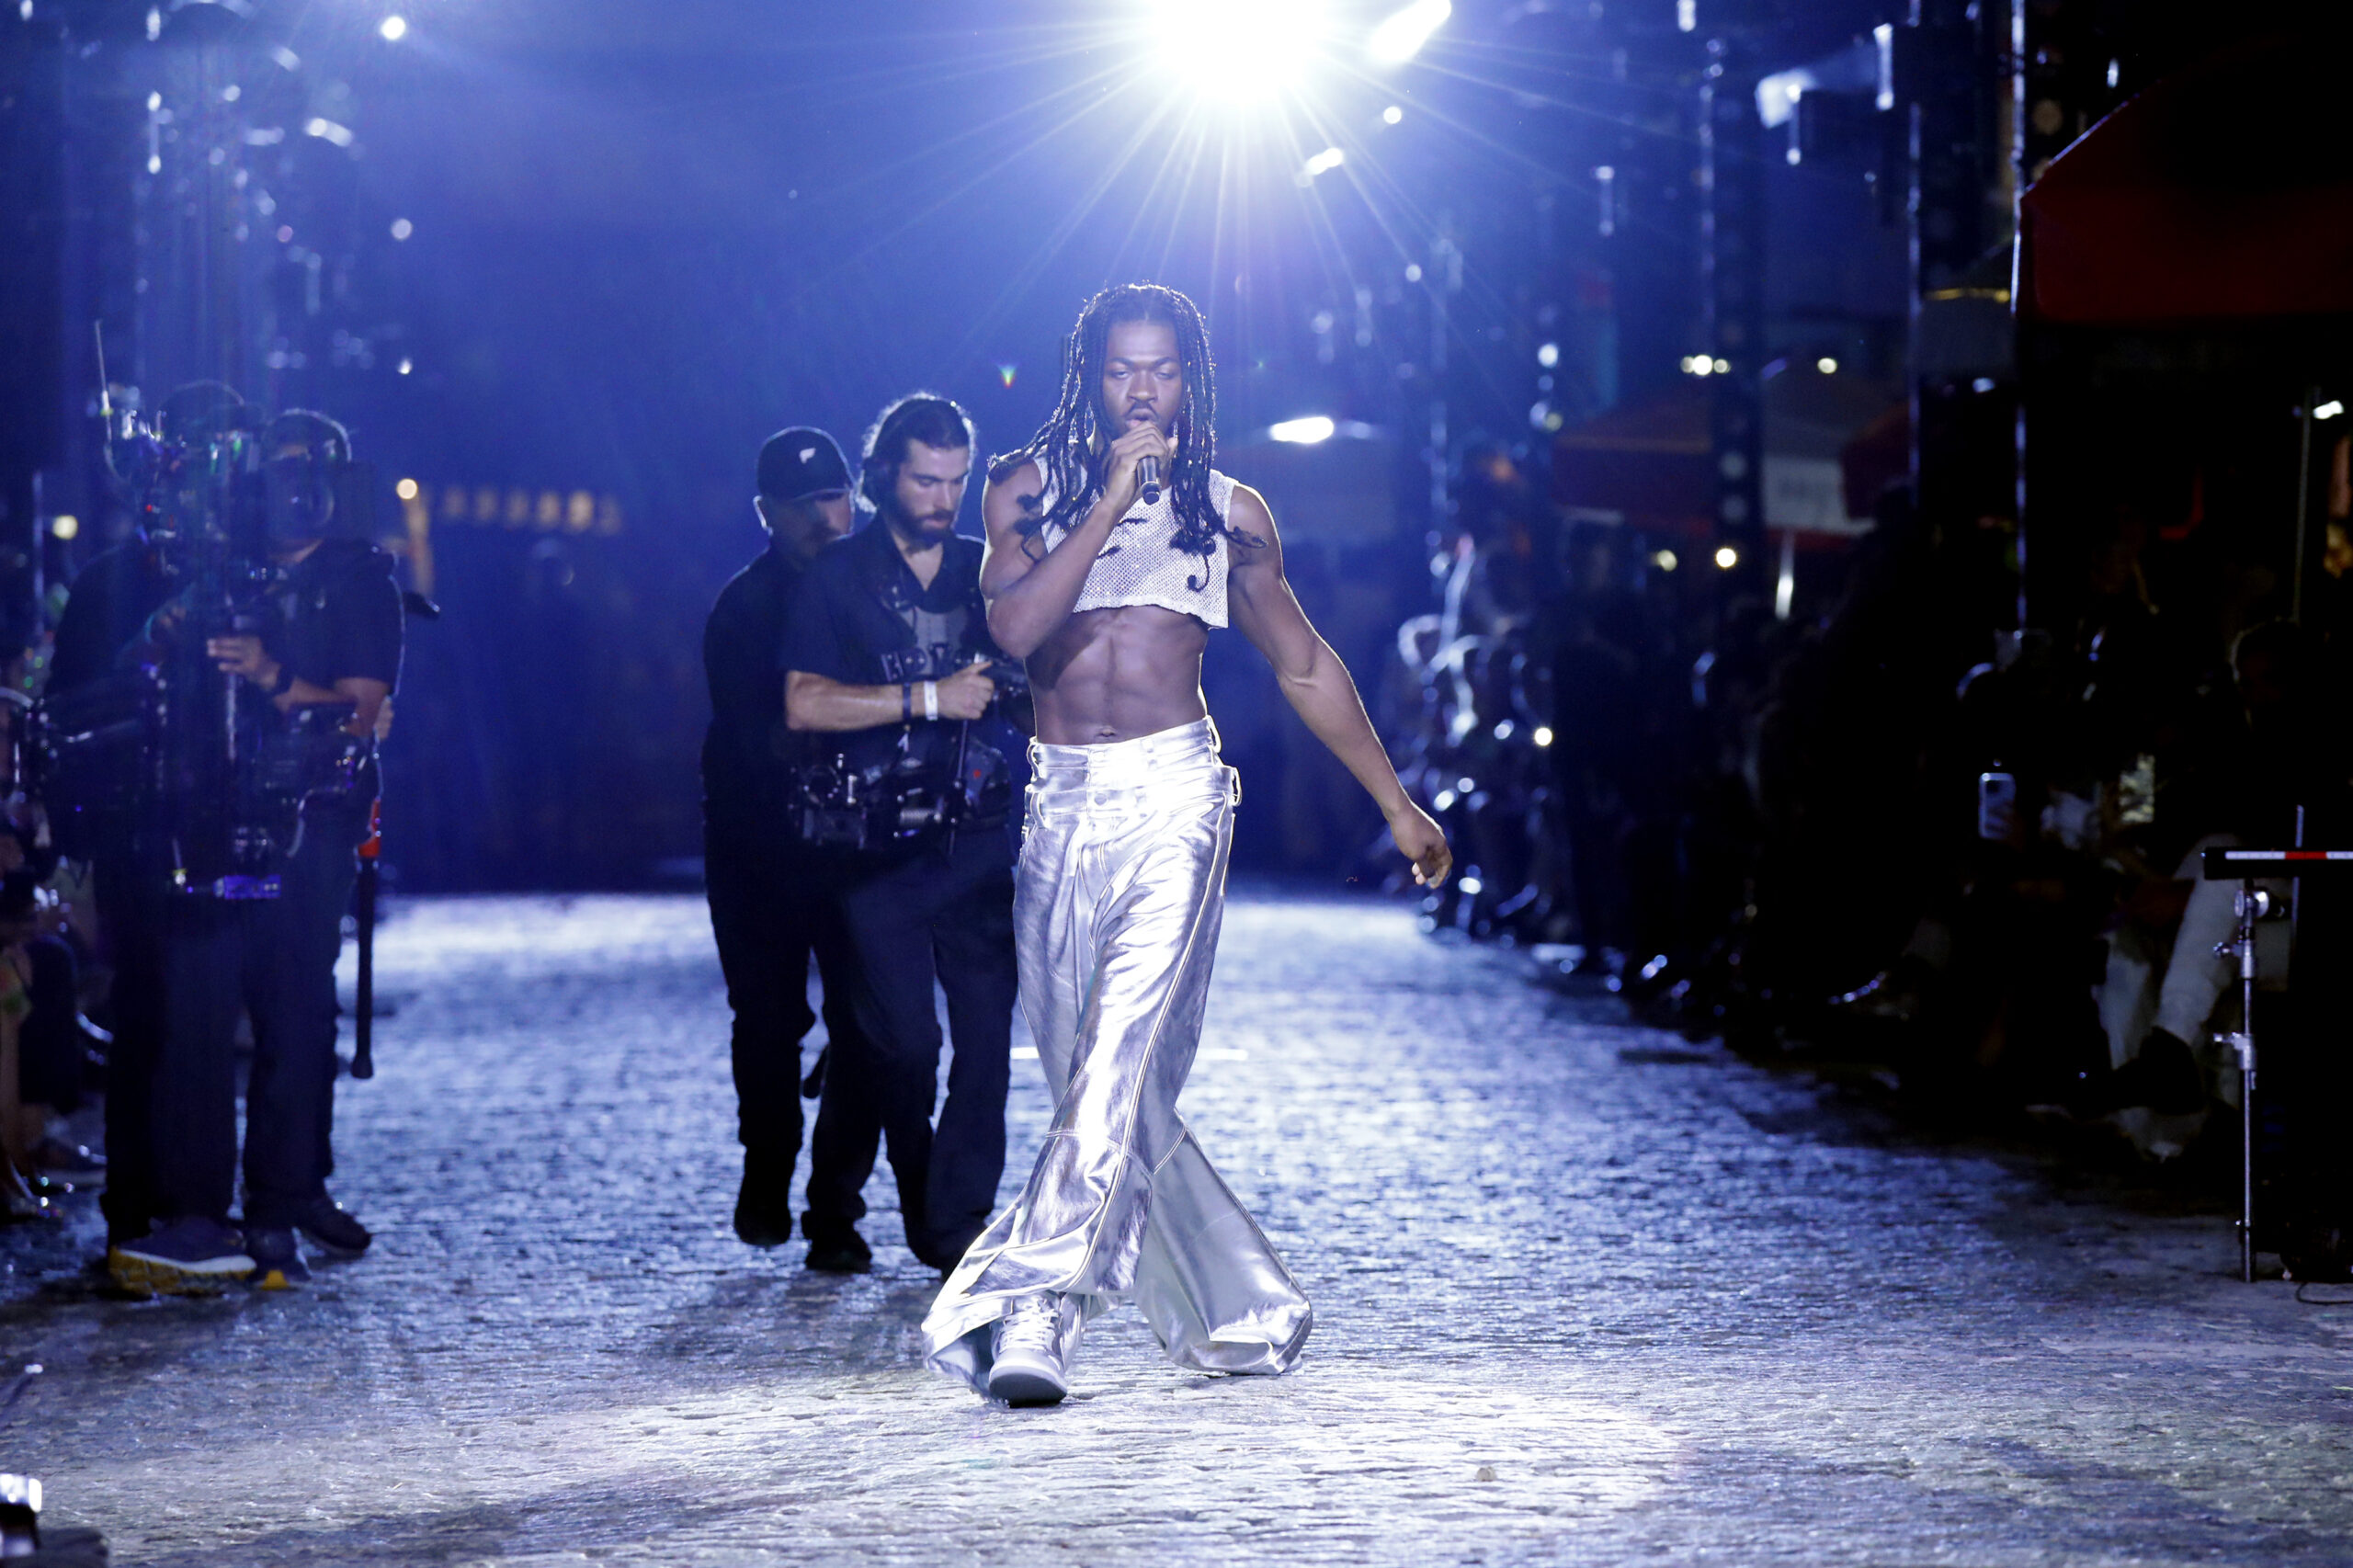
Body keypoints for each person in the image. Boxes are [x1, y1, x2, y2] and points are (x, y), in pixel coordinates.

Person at [921, 283, 1450, 1407]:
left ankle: (1035, 1308)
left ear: (1190, 382)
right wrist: (1110, 501)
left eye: (1162, 370)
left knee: (1117, 1058)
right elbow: (1013, 630)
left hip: (1176, 796)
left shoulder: (1229, 512)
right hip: (1061, 801)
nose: (1143, 391)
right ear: (1090, 378)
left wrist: (1396, 804)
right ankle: (1229, 1298)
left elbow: (1302, 663)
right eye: (1123, 370)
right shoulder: (1024, 490)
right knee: (1095, 1080)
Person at [102, 409, 401, 1293]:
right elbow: (137, 664)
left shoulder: (361, 582)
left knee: (293, 1008)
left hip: (309, 823)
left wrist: (270, 673)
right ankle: (198, 1215)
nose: (291, 494)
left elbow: (360, 712)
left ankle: (281, 1202)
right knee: (196, 1011)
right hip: (207, 820)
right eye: (276, 476)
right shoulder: (222, 575)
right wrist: (165, 640)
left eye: (307, 475)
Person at [781, 394, 1022, 1275]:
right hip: (874, 852)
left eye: (956, 481)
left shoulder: (985, 569)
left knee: (987, 1049)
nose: (942, 499)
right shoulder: (837, 577)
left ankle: (956, 1229)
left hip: (978, 842)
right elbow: (803, 703)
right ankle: (914, 1200)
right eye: (925, 480)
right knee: (905, 1048)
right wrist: (928, 698)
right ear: (883, 475)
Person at [700, 426, 870, 1255]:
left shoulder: (879, 591)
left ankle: (834, 1210)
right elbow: (750, 735)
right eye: (803, 506)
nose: (824, 519)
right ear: (766, 512)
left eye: (834, 498)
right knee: (767, 1020)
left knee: (867, 1024)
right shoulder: (743, 608)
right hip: (760, 842)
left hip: (860, 841)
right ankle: (767, 1170)